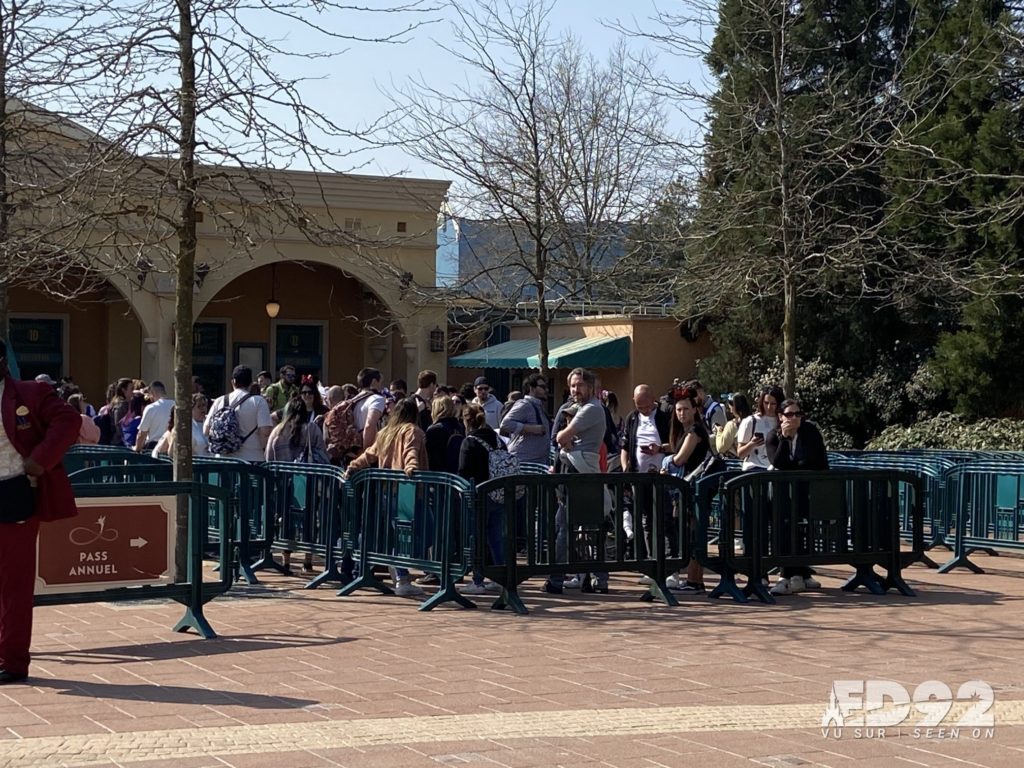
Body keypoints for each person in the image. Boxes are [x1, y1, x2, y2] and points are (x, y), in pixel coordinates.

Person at [0, 338, 81, 684]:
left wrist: (38, 462)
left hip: (14, 491)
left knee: (14, 584)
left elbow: (69, 421)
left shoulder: (29, 393)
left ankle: (13, 661)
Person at [344, 397, 428, 597]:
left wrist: (353, 466)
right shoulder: (412, 431)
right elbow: (410, 452)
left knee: (397, 533)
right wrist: (411, 468)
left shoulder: (385, 433)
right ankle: (401, 572)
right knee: (425, 530)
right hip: (408, 490)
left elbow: (368, 455)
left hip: (388, 491)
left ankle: (400, 572)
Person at [547, 367, 610, 594]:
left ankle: (560, 579)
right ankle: (592, 577)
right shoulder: (577, 408)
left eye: (580, 385)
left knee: (574, 527)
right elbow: (557, 439)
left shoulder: (592, 409)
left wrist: (566, 438)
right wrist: (564, 440)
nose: (575, 389)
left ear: (591, 387)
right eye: (573, 385)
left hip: (581, 473)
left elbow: (561, 436)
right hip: (572, 471)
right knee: (573, 527)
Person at [766, 399, 829, 596]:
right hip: (783, 493)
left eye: (797, 414)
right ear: (780, 417)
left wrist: (797, 465)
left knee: (803, 528)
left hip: (806, 491)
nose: (794, 418)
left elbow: (816, 460)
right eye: (789, 414)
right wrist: (785, 439)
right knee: (783, 527)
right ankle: (787, 574)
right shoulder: (773, 436)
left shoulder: (810, 432)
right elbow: (778, 462)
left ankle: (801, 572)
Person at [662, 388, 711, 592]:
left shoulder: (695, 431)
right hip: (688, 486)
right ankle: (695, 580)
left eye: (685, 409)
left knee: (692, 532)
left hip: (694, 487)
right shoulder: (684, 431)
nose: (681, 413)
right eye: (678, 410)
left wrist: (666, 461)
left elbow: (680, 458)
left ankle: (694, 580)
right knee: (691, 531)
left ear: (694, 410)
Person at [619, 384, 672, 556]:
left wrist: (660, 448)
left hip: (661, 475)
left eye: (647, 407)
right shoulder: (632, 418)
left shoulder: (665, 418)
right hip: (639, 476)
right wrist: (627, 468)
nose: (644, 410)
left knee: (663, 517)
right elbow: (625, 446)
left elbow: (677, 445)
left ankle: (669, 557)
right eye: (640, 407)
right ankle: (649, 556)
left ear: (653, 400)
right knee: (644, 518)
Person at [458, 403, 505, 595]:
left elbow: (462, 471)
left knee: (476, 537)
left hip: (478, 495)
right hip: (499, 493)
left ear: (466, 421)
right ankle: (502, 577)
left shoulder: (469, 442)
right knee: (495, 537)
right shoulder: (498, 439)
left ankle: (477, 581)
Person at [204, 365, 273, 461]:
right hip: (252, 458)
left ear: (233, 381)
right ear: (250, 383)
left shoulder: (219, 401)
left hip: (223, 459)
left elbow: (206, 430)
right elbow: (265, 432)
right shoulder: (259, 401)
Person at [499, 373, 550, 466]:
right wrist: (530, 428)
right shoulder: (525, 404)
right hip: (523, 463)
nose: (547, 390)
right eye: (542, 387)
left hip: (537, 464)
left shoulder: (539, 406)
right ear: (532, 388)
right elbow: (505, 424)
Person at [265, 396, 329, 463]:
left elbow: (269, 458)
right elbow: (323, 455)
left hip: (282, 472)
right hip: (308, 471)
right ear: (304, 411)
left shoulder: (277, 431)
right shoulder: (312, 429)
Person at [737, 386, 784, 472]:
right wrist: (751, 444)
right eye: (766, 403)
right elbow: (740, 453)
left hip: (776, 470)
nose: (769, 407)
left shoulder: (784, 421)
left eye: (773, 404)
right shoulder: (750, 421)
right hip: (755, 468)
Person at [424, 395, 464, 473]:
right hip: (455, 476)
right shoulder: (460, 427)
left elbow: (427, 456)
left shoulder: (434, 429)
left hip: (438, 477)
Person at [135, 380, 174, 452]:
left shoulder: (151, 408)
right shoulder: (175, 406)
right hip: (171, 447)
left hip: (153, 448)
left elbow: (142, 434)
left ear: (152, 393)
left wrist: (137, 450)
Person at [716, 393, 751, 458]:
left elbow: (721, 448)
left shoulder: (732, 425)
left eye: (730, 408)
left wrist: (719, 432)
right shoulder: (754, 421)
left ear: (734, 408)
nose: (731, 411)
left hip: (735, 464)